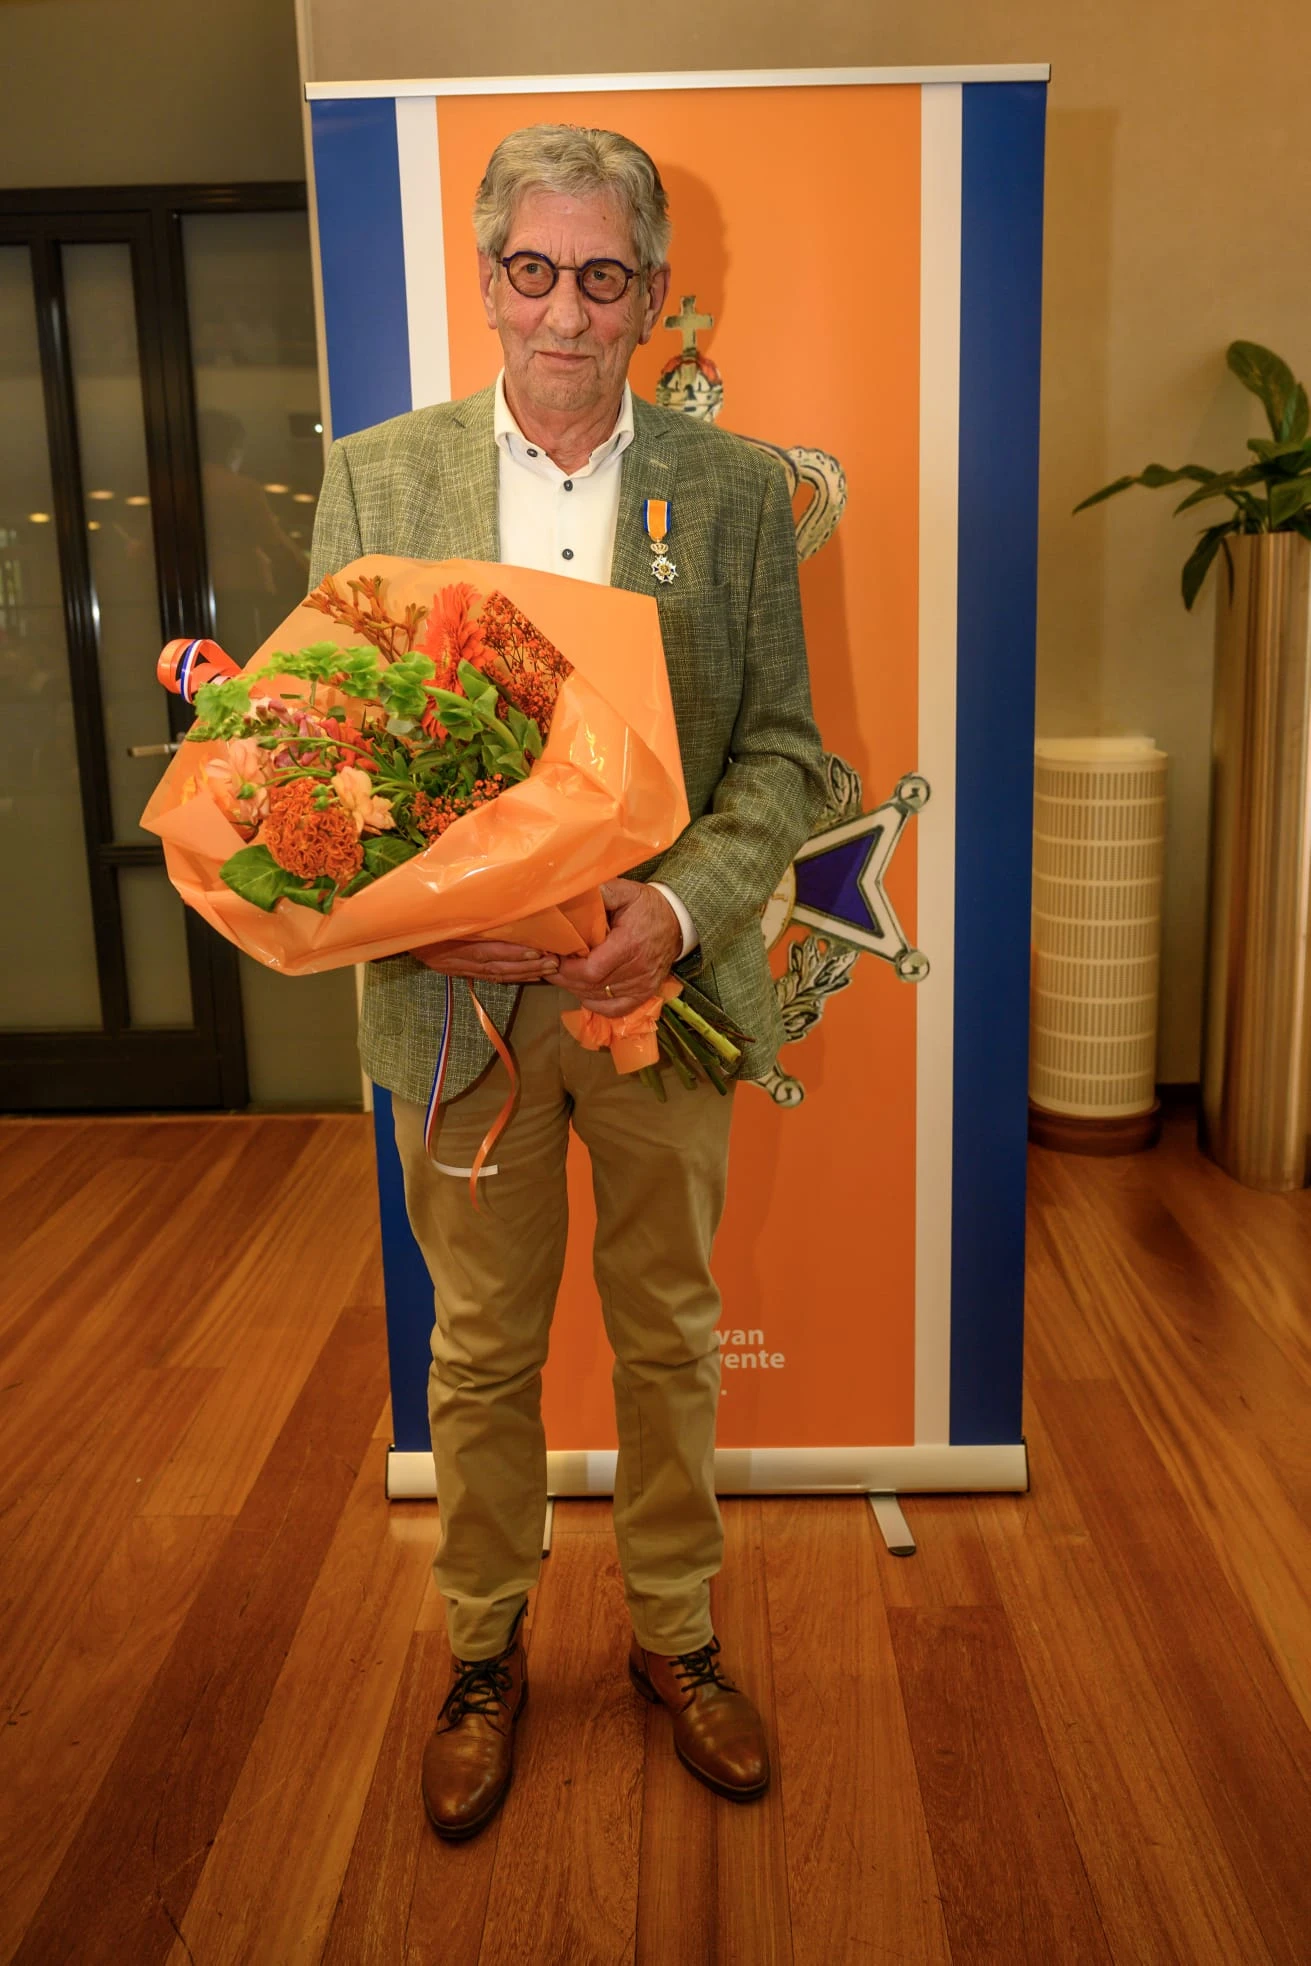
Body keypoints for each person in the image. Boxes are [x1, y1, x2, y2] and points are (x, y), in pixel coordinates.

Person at [309, 123, 825, 1841]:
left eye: (603, 277)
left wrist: (670, 914)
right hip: (454, 1010)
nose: (564, 312)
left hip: (653, 994)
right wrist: (413, 910)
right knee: (477, 1347)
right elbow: (322, 745)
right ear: (485, 279)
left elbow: (783, 756)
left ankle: (674, 1633)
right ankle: (481, 1649)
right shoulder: (379, 480)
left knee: (669, 1331)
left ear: (654, 295)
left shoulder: (734, 492)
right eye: (532, 270)